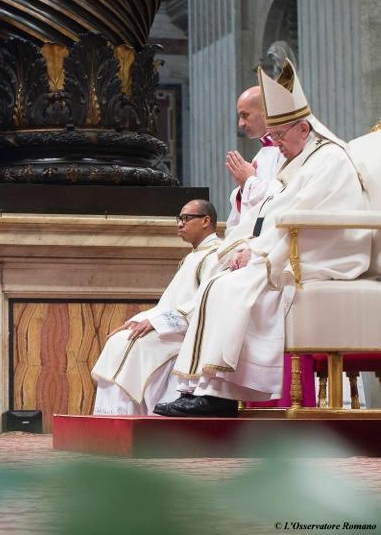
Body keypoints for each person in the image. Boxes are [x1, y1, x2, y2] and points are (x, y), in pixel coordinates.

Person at [156, 59, 371, 417]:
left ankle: (217, 396)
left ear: (303, 128)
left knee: (234, 287)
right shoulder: (300, 159)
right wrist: (249, 247)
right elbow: (274, 214)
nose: (276, 144)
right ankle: (205, 389)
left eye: (281, 136)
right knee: (220, 280)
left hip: (327, 253)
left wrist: (260, 256)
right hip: (299, 246)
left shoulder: (328, 159)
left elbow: (301, 218)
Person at [91, 200, 222, 415]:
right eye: (179, 219)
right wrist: (138, 320)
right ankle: (111, 417)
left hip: (189, 334)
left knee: (131, 344)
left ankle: (127, 418)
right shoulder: (192, 257)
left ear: (206, 221)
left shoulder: (216, 255)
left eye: (186, 218)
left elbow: (206, 302)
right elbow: (168, 303)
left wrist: (158, 322)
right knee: (118, 340)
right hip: (173, 327)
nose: (180, 224)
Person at [224, 86, 284, 232]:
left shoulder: (285, 152)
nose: (241, 124)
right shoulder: (262, 153)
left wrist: (248, 181)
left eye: (245, 115)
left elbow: (281, 200)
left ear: (266, 113)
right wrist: (242, 188)